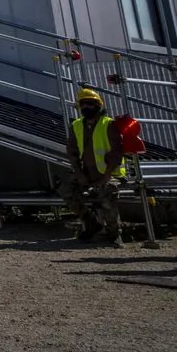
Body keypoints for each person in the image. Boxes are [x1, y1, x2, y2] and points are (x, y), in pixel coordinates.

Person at [63, 86, 124, 246]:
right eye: (82, 104)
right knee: (66, 189)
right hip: (87, 173)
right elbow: (72, 152)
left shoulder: (108, 124)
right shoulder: (76, 125)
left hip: (109, 173)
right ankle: (90, 223)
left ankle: (114, 233)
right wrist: (80, 174)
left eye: (89, 104)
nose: (85, 107)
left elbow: (116, 152)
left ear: (98, 105)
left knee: (107, 191)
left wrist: (106, 176)